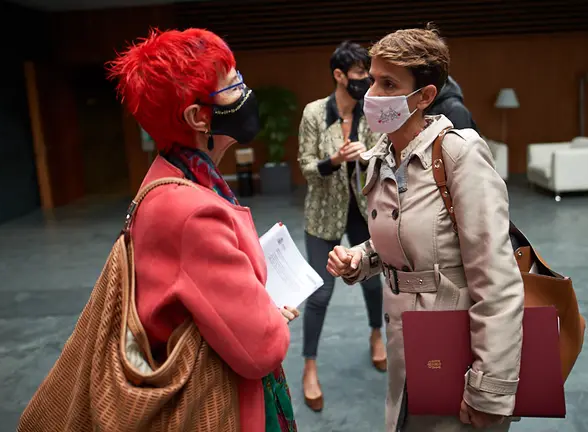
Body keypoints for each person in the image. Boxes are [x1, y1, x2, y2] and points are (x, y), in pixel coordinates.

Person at [327, 26, 525, 432]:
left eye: (388, 84)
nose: (372, 94)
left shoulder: (458, 153)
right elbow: (406, 238)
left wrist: (490, 390)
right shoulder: (381, 156)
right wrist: (360, 259)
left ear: (425, 96)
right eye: (371, 80)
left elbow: (497, 281)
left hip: (455, 343)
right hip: (404, 337)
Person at [107, 28, 300, 432]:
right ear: (198, 117)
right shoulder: (191, 211)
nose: (245, 91)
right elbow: (260, 348)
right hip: (223, 408)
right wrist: (272, 319)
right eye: (233, 86)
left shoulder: (174, 174)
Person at [297, 41, 386, 412]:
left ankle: (376, 335)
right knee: (319, 293)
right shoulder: (316, 113)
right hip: (323, 215)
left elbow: (383, 155)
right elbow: (305, 165)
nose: (365, 80)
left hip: (363, 212)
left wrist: (365, 157)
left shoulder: (371, 111)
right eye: (359, 74)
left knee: (372, 279)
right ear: (339, 75)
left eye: (368, 74)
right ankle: (309, 367)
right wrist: (333, 159)